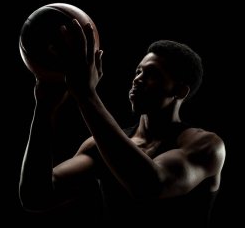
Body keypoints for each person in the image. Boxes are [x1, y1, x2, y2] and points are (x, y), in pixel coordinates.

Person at [19, 19, 226, 227]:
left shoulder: (208, 146)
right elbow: (36, 197)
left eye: (151, 73)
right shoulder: (99, 146)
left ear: (179, 91)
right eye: (138, 71)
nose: (137, 79)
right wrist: (43, 108)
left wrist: (86, 95)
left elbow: (151, 186)